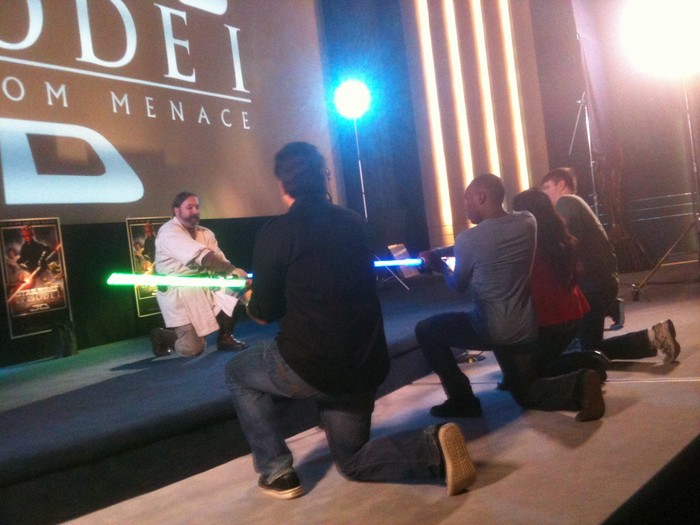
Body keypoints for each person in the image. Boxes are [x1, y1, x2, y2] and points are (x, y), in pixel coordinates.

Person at [225, 142, 476, 500]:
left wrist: (244, 293)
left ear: (282, 184)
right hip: (365, 362)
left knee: (238, 373)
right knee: (353, 461)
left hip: (312, 364)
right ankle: (432, 448)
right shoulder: (355, 223)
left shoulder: (276, 233)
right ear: (323, 178)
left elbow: (264, 314)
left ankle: (276, 471)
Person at [416, 174, 604, 422]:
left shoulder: (467, 239)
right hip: (525, 327)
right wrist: (444, 252)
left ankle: (462, 399)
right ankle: (580, 382)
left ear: (481, 197)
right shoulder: (527, 222)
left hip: (490, 328)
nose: (465, 207)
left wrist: (439, 265)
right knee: (525, 391)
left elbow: (458, 285)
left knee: (426, 330)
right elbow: (493, 239)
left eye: (467, 200)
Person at [541, 168, 680, 363]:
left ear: (561, 185)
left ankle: (655, 337)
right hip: (599, 284)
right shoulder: (578, 204)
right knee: (589, 347)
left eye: (547, 187)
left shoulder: (567, 202)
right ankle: (654, 336)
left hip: (592, 287)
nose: (545, 193)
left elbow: (562, 237)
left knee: (587, 350)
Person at [150, 191, 248, 358]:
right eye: (189, 207)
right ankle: (161, 336)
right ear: (176, 210)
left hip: (205, 288)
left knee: (235, 285)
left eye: (197, 207)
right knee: (193, 348)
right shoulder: (169, 232)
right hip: (180, 294)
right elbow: (204, 257)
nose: (195, 211)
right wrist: (232, 270)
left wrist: (234, 275)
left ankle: (225, 337)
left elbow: (219, 260)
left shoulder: (206, 233)